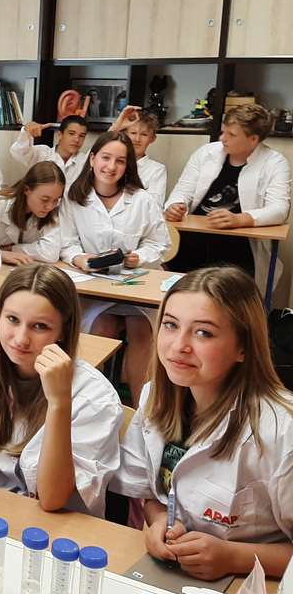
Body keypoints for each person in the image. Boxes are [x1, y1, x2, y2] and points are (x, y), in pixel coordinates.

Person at [113, 267, 293, 580]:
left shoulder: (281, 430)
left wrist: (234, 557)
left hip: (252, 588)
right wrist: (159, 521)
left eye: (203, 333)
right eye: (170, 325)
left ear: (243, 347)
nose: (178, 346)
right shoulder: (156, 398)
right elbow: (149, 492)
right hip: (174, 576)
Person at [0, 264, 122, 516]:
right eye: (12, 319)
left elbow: (53, 499)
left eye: (40, 326)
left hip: (60, 526)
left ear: (63, 330)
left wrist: (59, 403)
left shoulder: (95, 398)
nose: (21, 339)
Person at [60, 130, 170, 404]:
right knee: (102, 328)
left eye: (120, 161)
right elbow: (66, 243)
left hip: (134, 289)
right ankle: (89, 405)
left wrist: (138, 257)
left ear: (127, 166)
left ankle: (141, 410)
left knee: (141, 331)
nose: (111, 167)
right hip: (93, 289)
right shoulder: (73, 198)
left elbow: (160, 243)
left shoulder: (142, 199)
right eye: (105, 158)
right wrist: (80, 258)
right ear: (92, 159)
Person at [164, 104, 291, 295]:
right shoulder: (206, 153)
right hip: (191, 241)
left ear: (253, 139)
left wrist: (240, 219)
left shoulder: (274, 162)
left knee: (226, 297)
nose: (222, 138)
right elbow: (182, 190)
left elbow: (280, 209)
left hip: (238, 248)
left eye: (231, 134)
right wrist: (175, 206)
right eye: (223, 131)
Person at [0, 161, 66, 265]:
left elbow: (51, 253)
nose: (50, 207)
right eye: (45, 199)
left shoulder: (52, 212)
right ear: (26, 189)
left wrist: (12, 249)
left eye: (56, 200)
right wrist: (0, 254)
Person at [10, 115, 89, 190]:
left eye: (81, 136)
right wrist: (26, 131)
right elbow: (18, 152)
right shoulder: (43, 154)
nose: (77, 140)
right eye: (71, 133)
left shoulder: (86, 161)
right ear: (60, 135)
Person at [110, 106, 167, 208]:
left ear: (152, 138)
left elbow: (154, 207)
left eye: (144, 134)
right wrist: (116, 127)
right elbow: (90, 161)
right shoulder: (111, 163)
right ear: (124, 134)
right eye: (133, 133)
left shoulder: (157, 170)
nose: (137, 139)